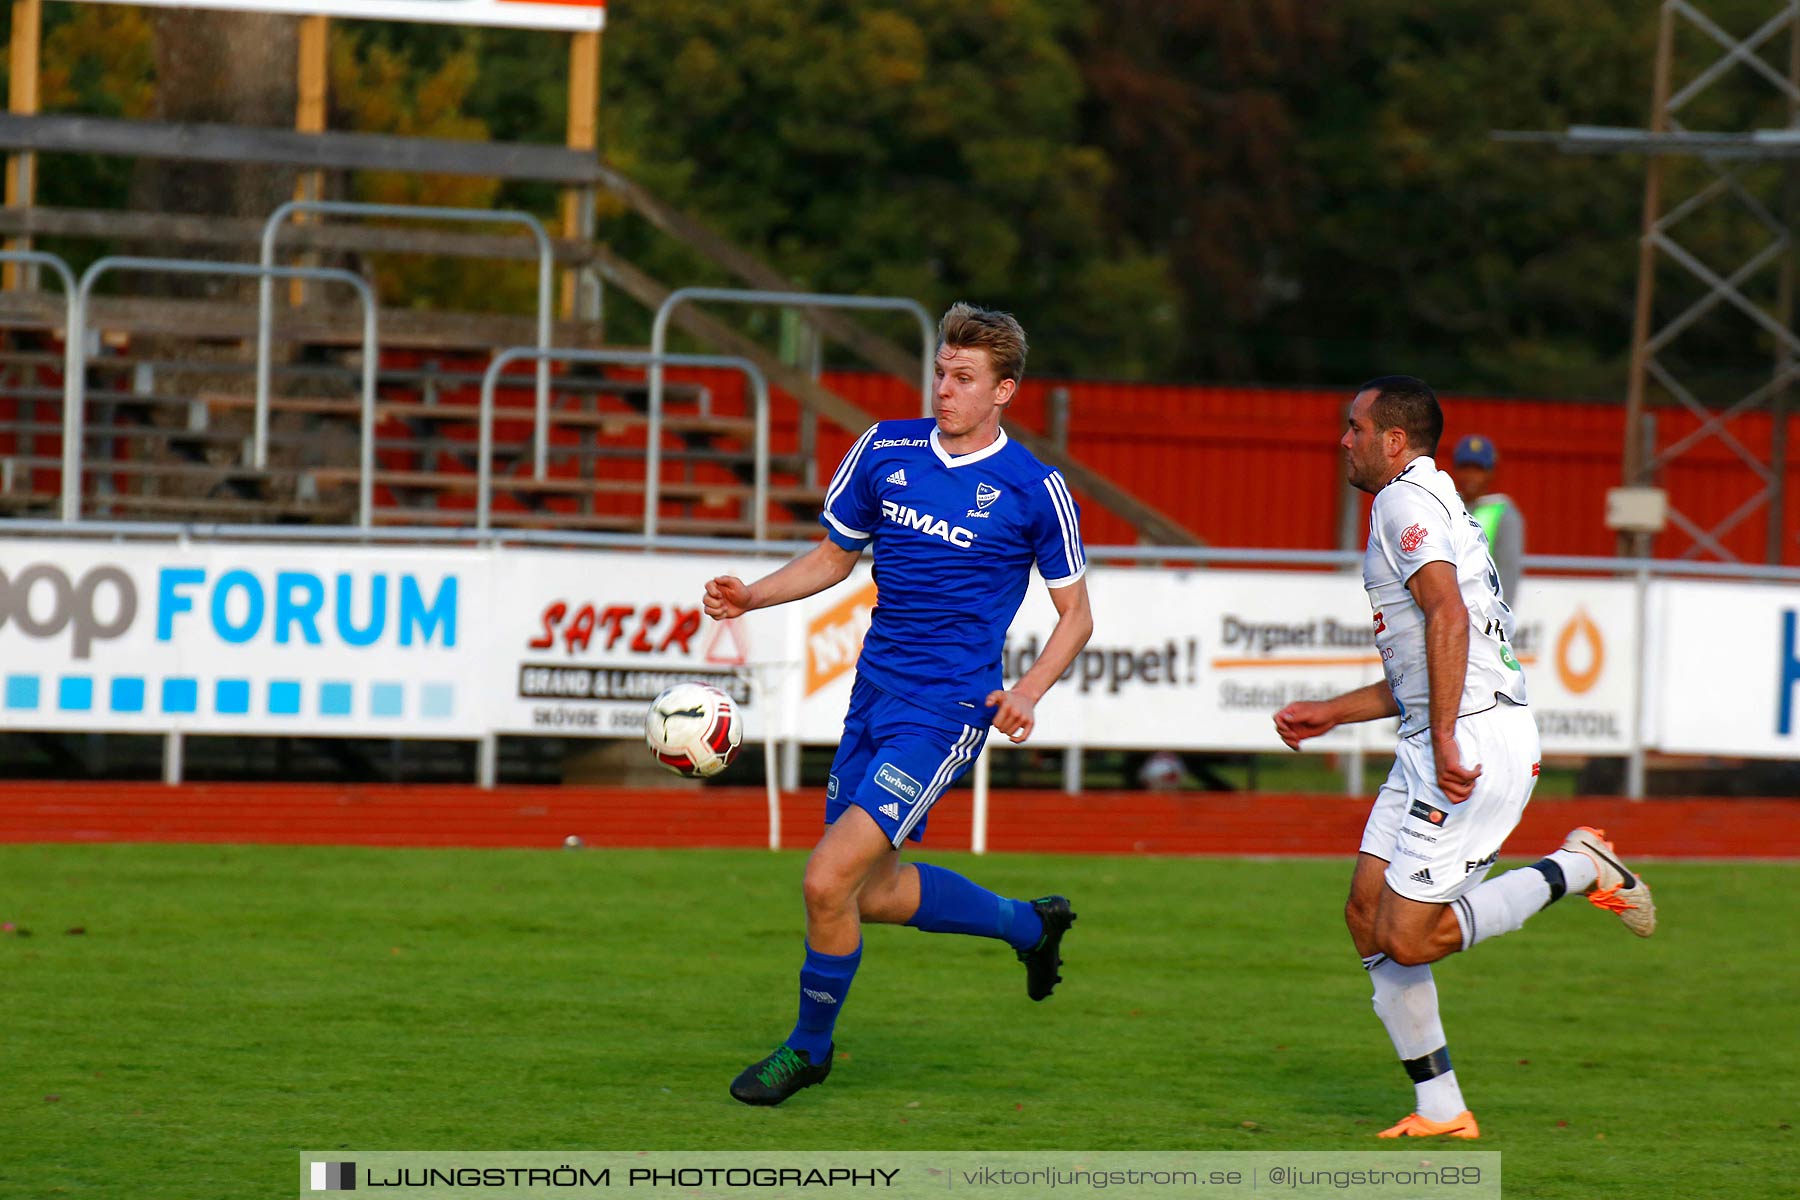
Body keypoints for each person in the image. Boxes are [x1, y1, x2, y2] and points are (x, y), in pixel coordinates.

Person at [703, 302, 1095, 1107]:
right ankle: (1031, 925)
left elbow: (1077, 614)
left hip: (945, 713)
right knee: (868, 892)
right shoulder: (886, 447)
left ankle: (809, 1050)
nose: (944, 390)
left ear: (1004, 391)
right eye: (940, 374)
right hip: (872, 698)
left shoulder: (1033, 489)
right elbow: (833, 557)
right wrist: (752, 596)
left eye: (963, 379)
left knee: (824, 881)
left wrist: (1025, 691)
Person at [1273, 376, 1654, 1139]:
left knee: (1410, 935)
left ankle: (1579, 868)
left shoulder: (1401, 503)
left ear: (1392, 440)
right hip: (1439, 735)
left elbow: (1447, 613)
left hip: (1473, 742)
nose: (1342, 440)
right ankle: (1443, 1109)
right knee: (1365, 914)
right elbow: (1429, 651)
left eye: (1354, 427)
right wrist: (1334, 712)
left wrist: (1445, 735)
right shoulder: (1431, 495)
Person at [1449, 434, 1524, 605]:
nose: (1471, 476)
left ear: (1490, 472)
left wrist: (1500, 616)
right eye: (1465, 467)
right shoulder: (1447, 505)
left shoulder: (1503, 513)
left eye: (1478, 469)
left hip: (1483, 612)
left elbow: (1507, 569)